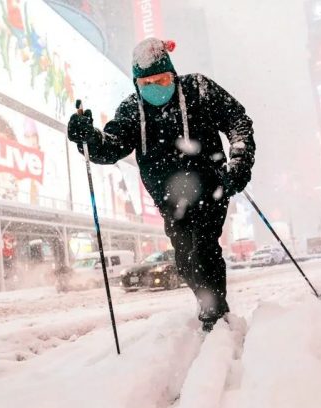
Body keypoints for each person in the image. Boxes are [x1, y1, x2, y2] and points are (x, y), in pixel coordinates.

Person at [68, 38, 256, 331]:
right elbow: (111, 146)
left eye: (163, 79)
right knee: (185, 261)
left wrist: (239, 163)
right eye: (147, 82)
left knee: (205, 249)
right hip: (169, 199)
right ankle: (210, 303)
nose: (156, 87)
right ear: (136, 84)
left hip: (211, 188)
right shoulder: (132, 110)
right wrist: (89, 139)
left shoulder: (199, 90)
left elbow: (237, 121)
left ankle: (214, 315)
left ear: (174, 74)